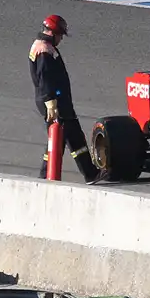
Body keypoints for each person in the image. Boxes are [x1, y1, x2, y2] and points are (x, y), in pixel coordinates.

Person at [29, 14, 101, 184]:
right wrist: (51, 103)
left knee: (58, 140)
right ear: (53, 33)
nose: (61, 39)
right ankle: (90, 174)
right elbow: (45, 78)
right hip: (55, 102)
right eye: (60, 35)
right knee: (73, 137)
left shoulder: (43, 45)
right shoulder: (44, 50)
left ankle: (45, 176)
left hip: (56, 100)